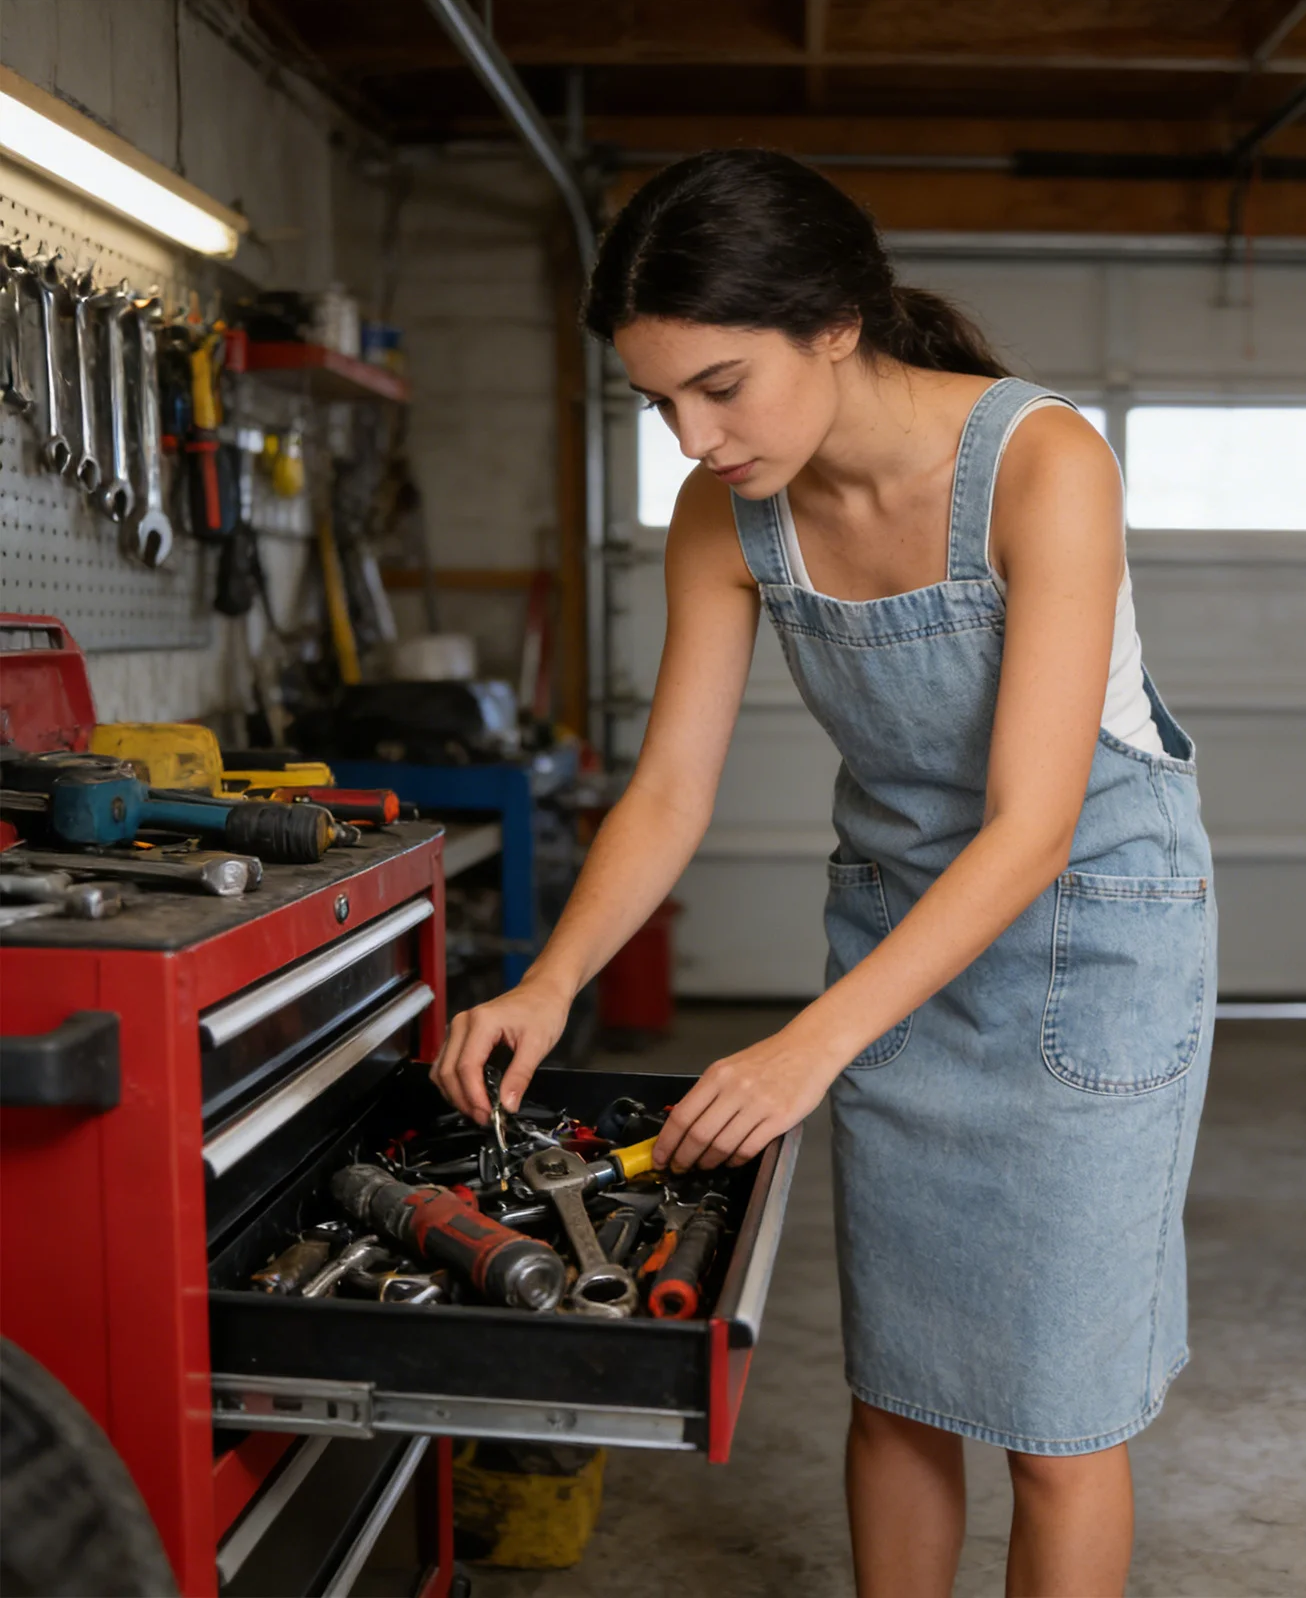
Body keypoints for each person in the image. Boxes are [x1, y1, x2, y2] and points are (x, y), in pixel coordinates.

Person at [431, 148, 1216, 1598]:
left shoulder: (1043, 464)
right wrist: (548, 983)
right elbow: (668, 790)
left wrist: (806, 1049)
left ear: (836, 323)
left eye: (719, 385)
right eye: (657, 402)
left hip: (1087, 949)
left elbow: (1033, 826)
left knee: (1056, 1421)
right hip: (896, 948)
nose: (691, 438)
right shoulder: (726, 517)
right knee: (902, 1388)